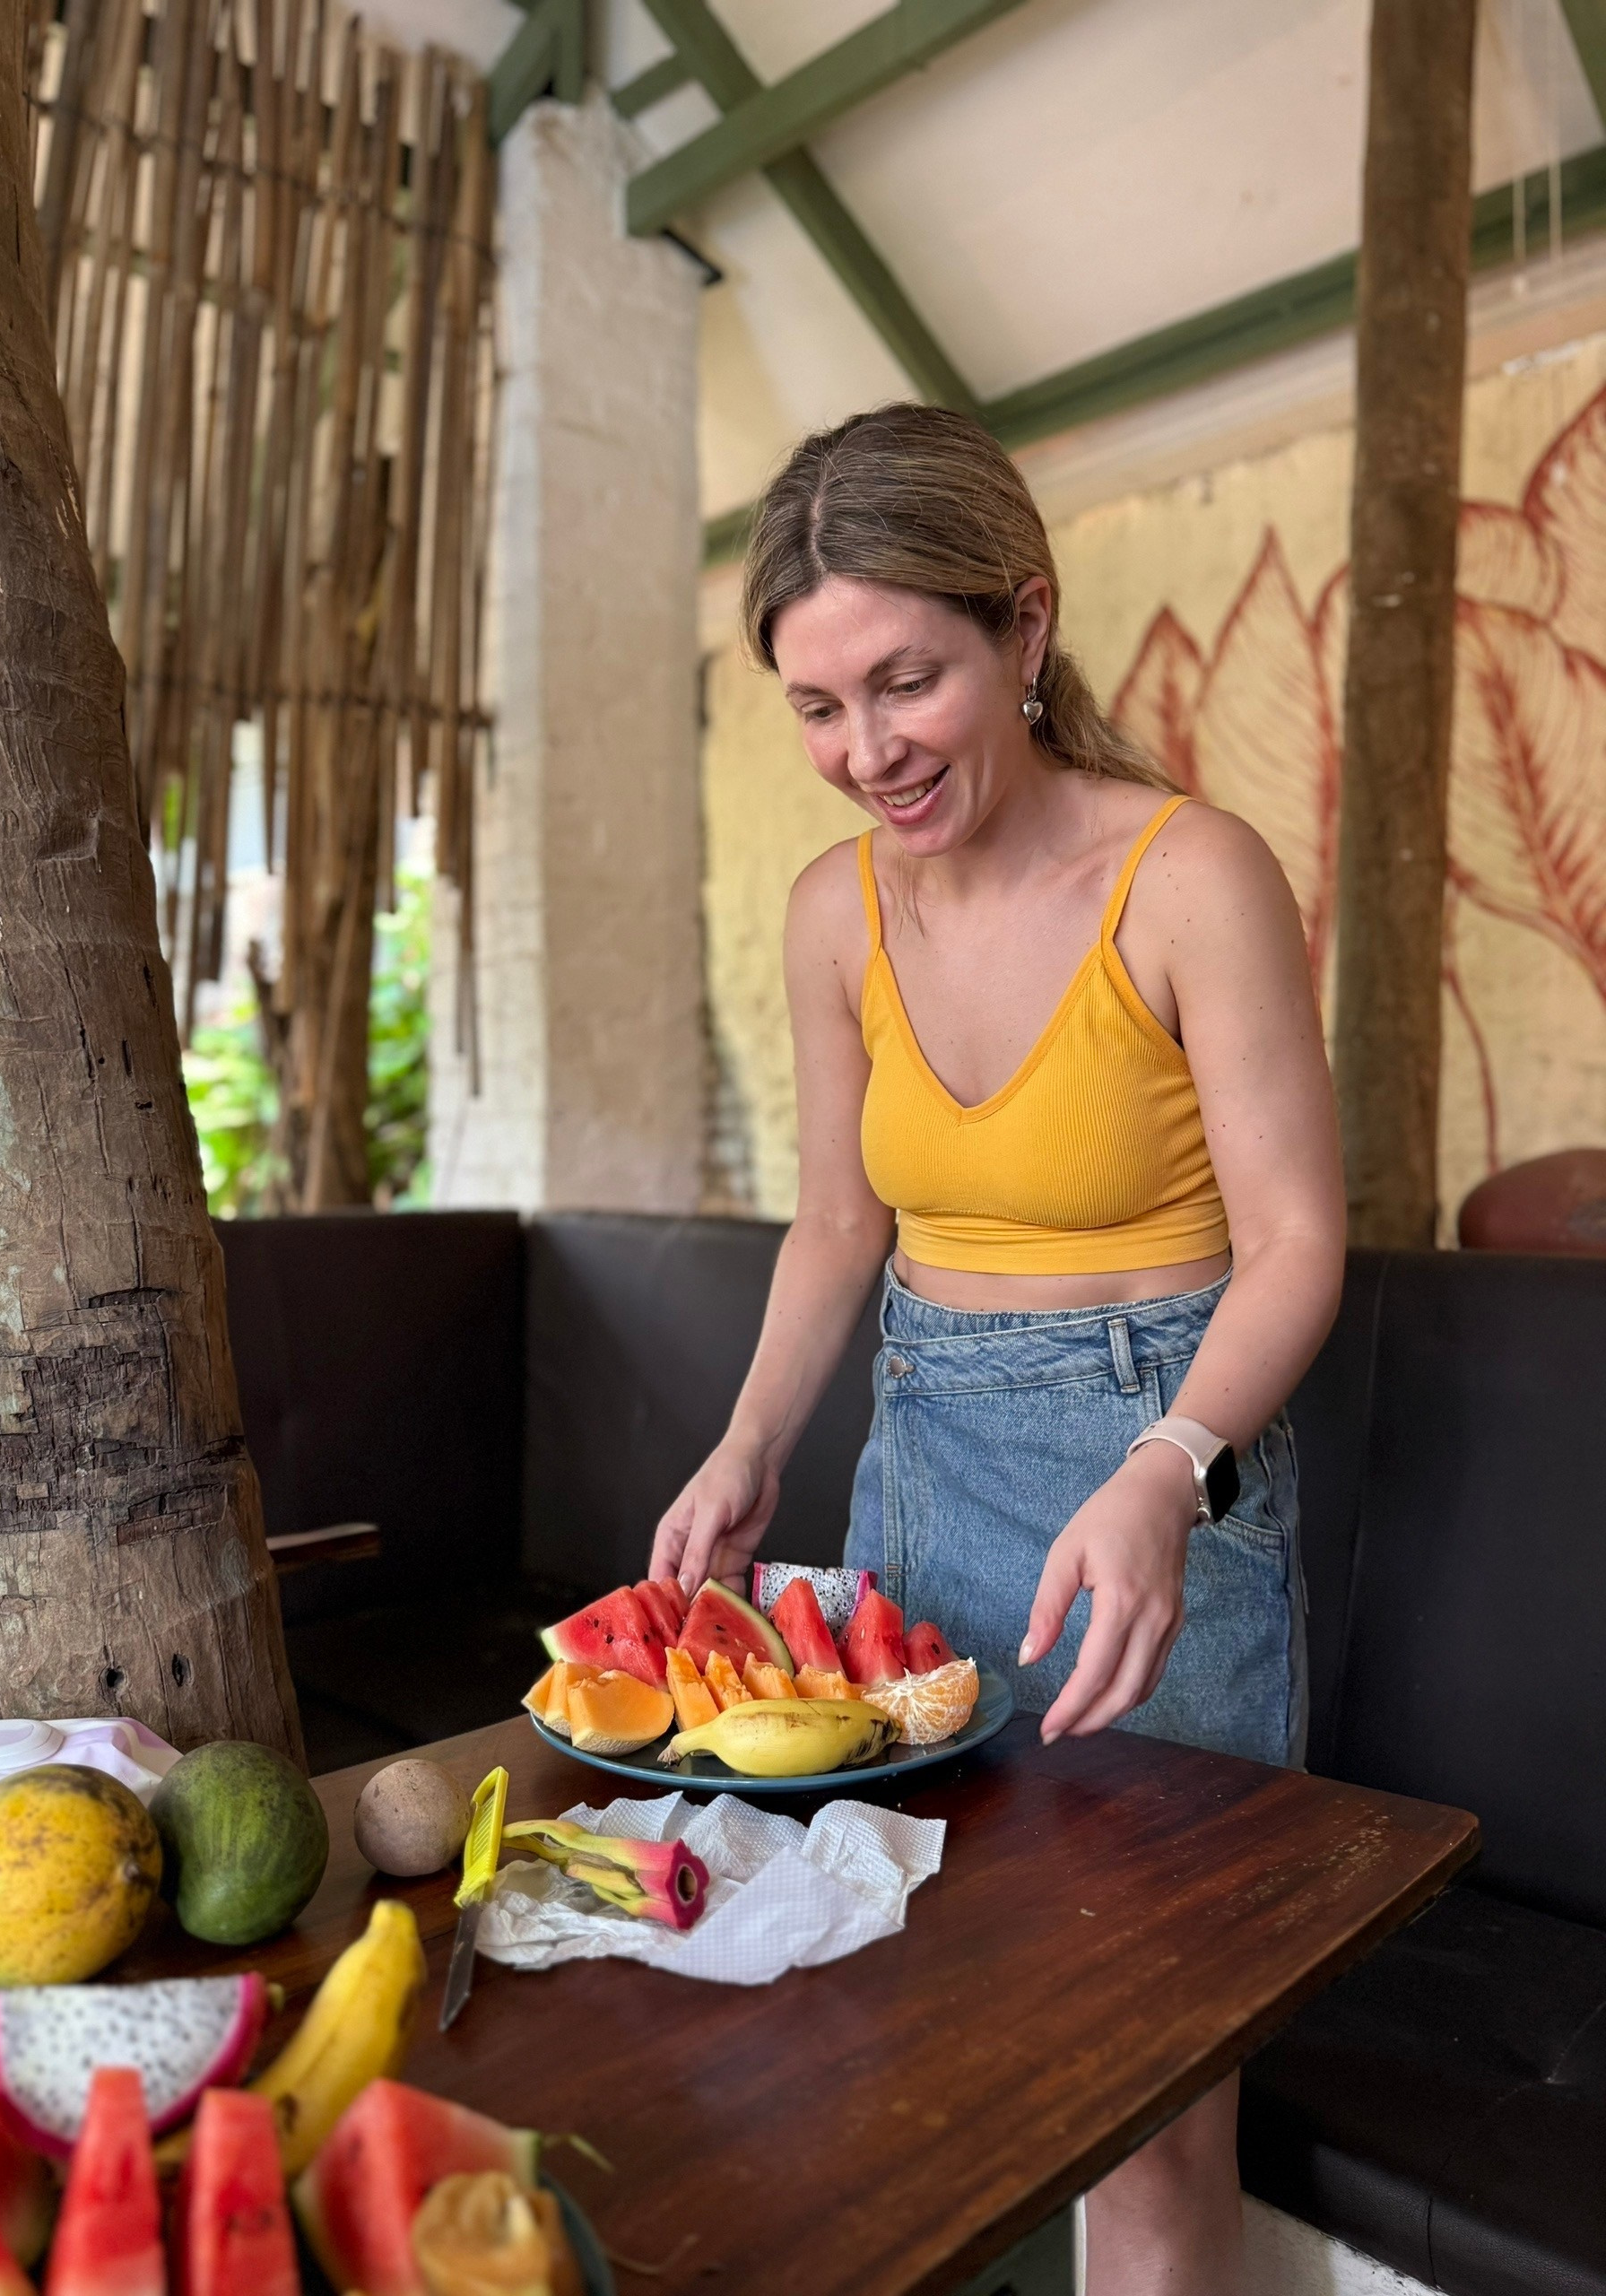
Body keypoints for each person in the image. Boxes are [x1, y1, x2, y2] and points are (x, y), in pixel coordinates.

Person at [648, 403, 1346, 2296]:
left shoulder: (1190, 875)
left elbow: (1298, 1242)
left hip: (1164, 1488)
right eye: (817, 706)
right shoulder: (835, 912)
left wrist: (1167, 1470)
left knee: (1150, 2086)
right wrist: (747, 1444)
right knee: (923, 2012)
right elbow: (840, 1227)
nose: (866, 751)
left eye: (907, 681)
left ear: (1024, 625)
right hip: (924, 1476)